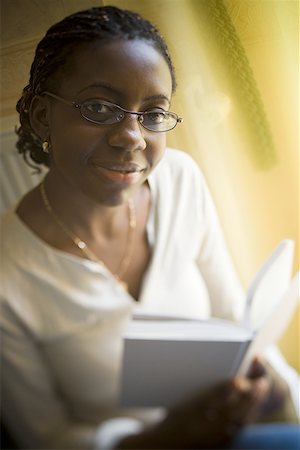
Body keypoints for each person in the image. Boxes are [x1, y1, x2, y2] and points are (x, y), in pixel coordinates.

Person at [0, 6, 299, 450]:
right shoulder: (9, 272)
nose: (133, 136)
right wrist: (162, 439)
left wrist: (266, 390)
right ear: (44, 117)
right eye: (100, 107)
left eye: (153, 113)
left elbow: (234, 318)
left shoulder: (180, 179)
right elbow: (45, 436)